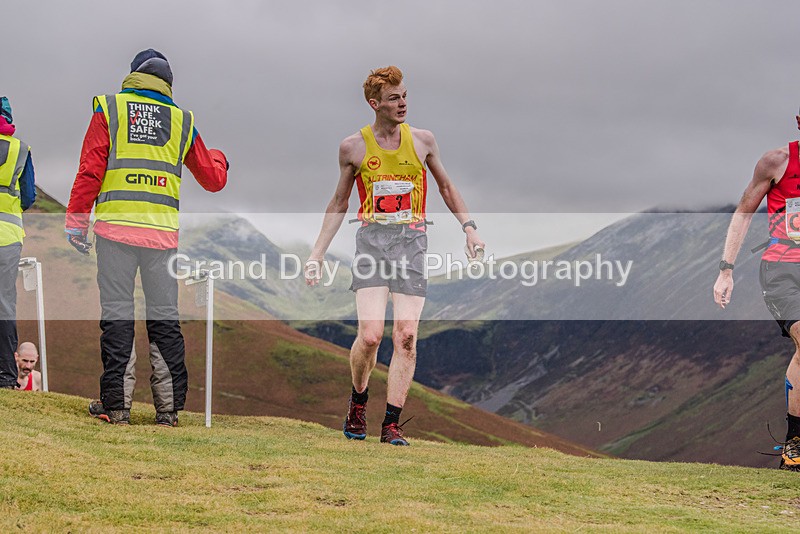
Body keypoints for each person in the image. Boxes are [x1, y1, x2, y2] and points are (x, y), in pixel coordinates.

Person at [305, 66, 484, 445]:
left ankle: (391, 424)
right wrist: (317, 253)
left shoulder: (422, 141)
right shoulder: (353, 147)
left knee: (405, 336)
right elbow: (339, 201)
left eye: (404, 95)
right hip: (371, 243)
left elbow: (446, 186)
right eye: (393, 98)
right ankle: (358, 401)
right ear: (375, 104)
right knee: (370, 337)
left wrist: (469, 229)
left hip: (412, 243)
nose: (402, 103)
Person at [65, 49, 228, 425]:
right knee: (165, 319)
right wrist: (219, 156)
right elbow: (213, 179)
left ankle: (117, 407)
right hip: (162, 239)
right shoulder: (182, 120)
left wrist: (76, 223)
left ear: (133, 75)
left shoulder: (110, 109)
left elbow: (90, 169)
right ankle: (168, 411)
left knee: (118, 316)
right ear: (168, 83)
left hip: (115, 233)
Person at [712, 111, 800, 471]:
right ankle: (795, 443)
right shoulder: (777, 161)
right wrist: (726, 270)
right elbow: (745, 211)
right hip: (783, 268)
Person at [0, 96, 36, 390]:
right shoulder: (20, 149)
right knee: (4, 305)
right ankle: (6, 377)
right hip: (8, 236)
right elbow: (28, 197)